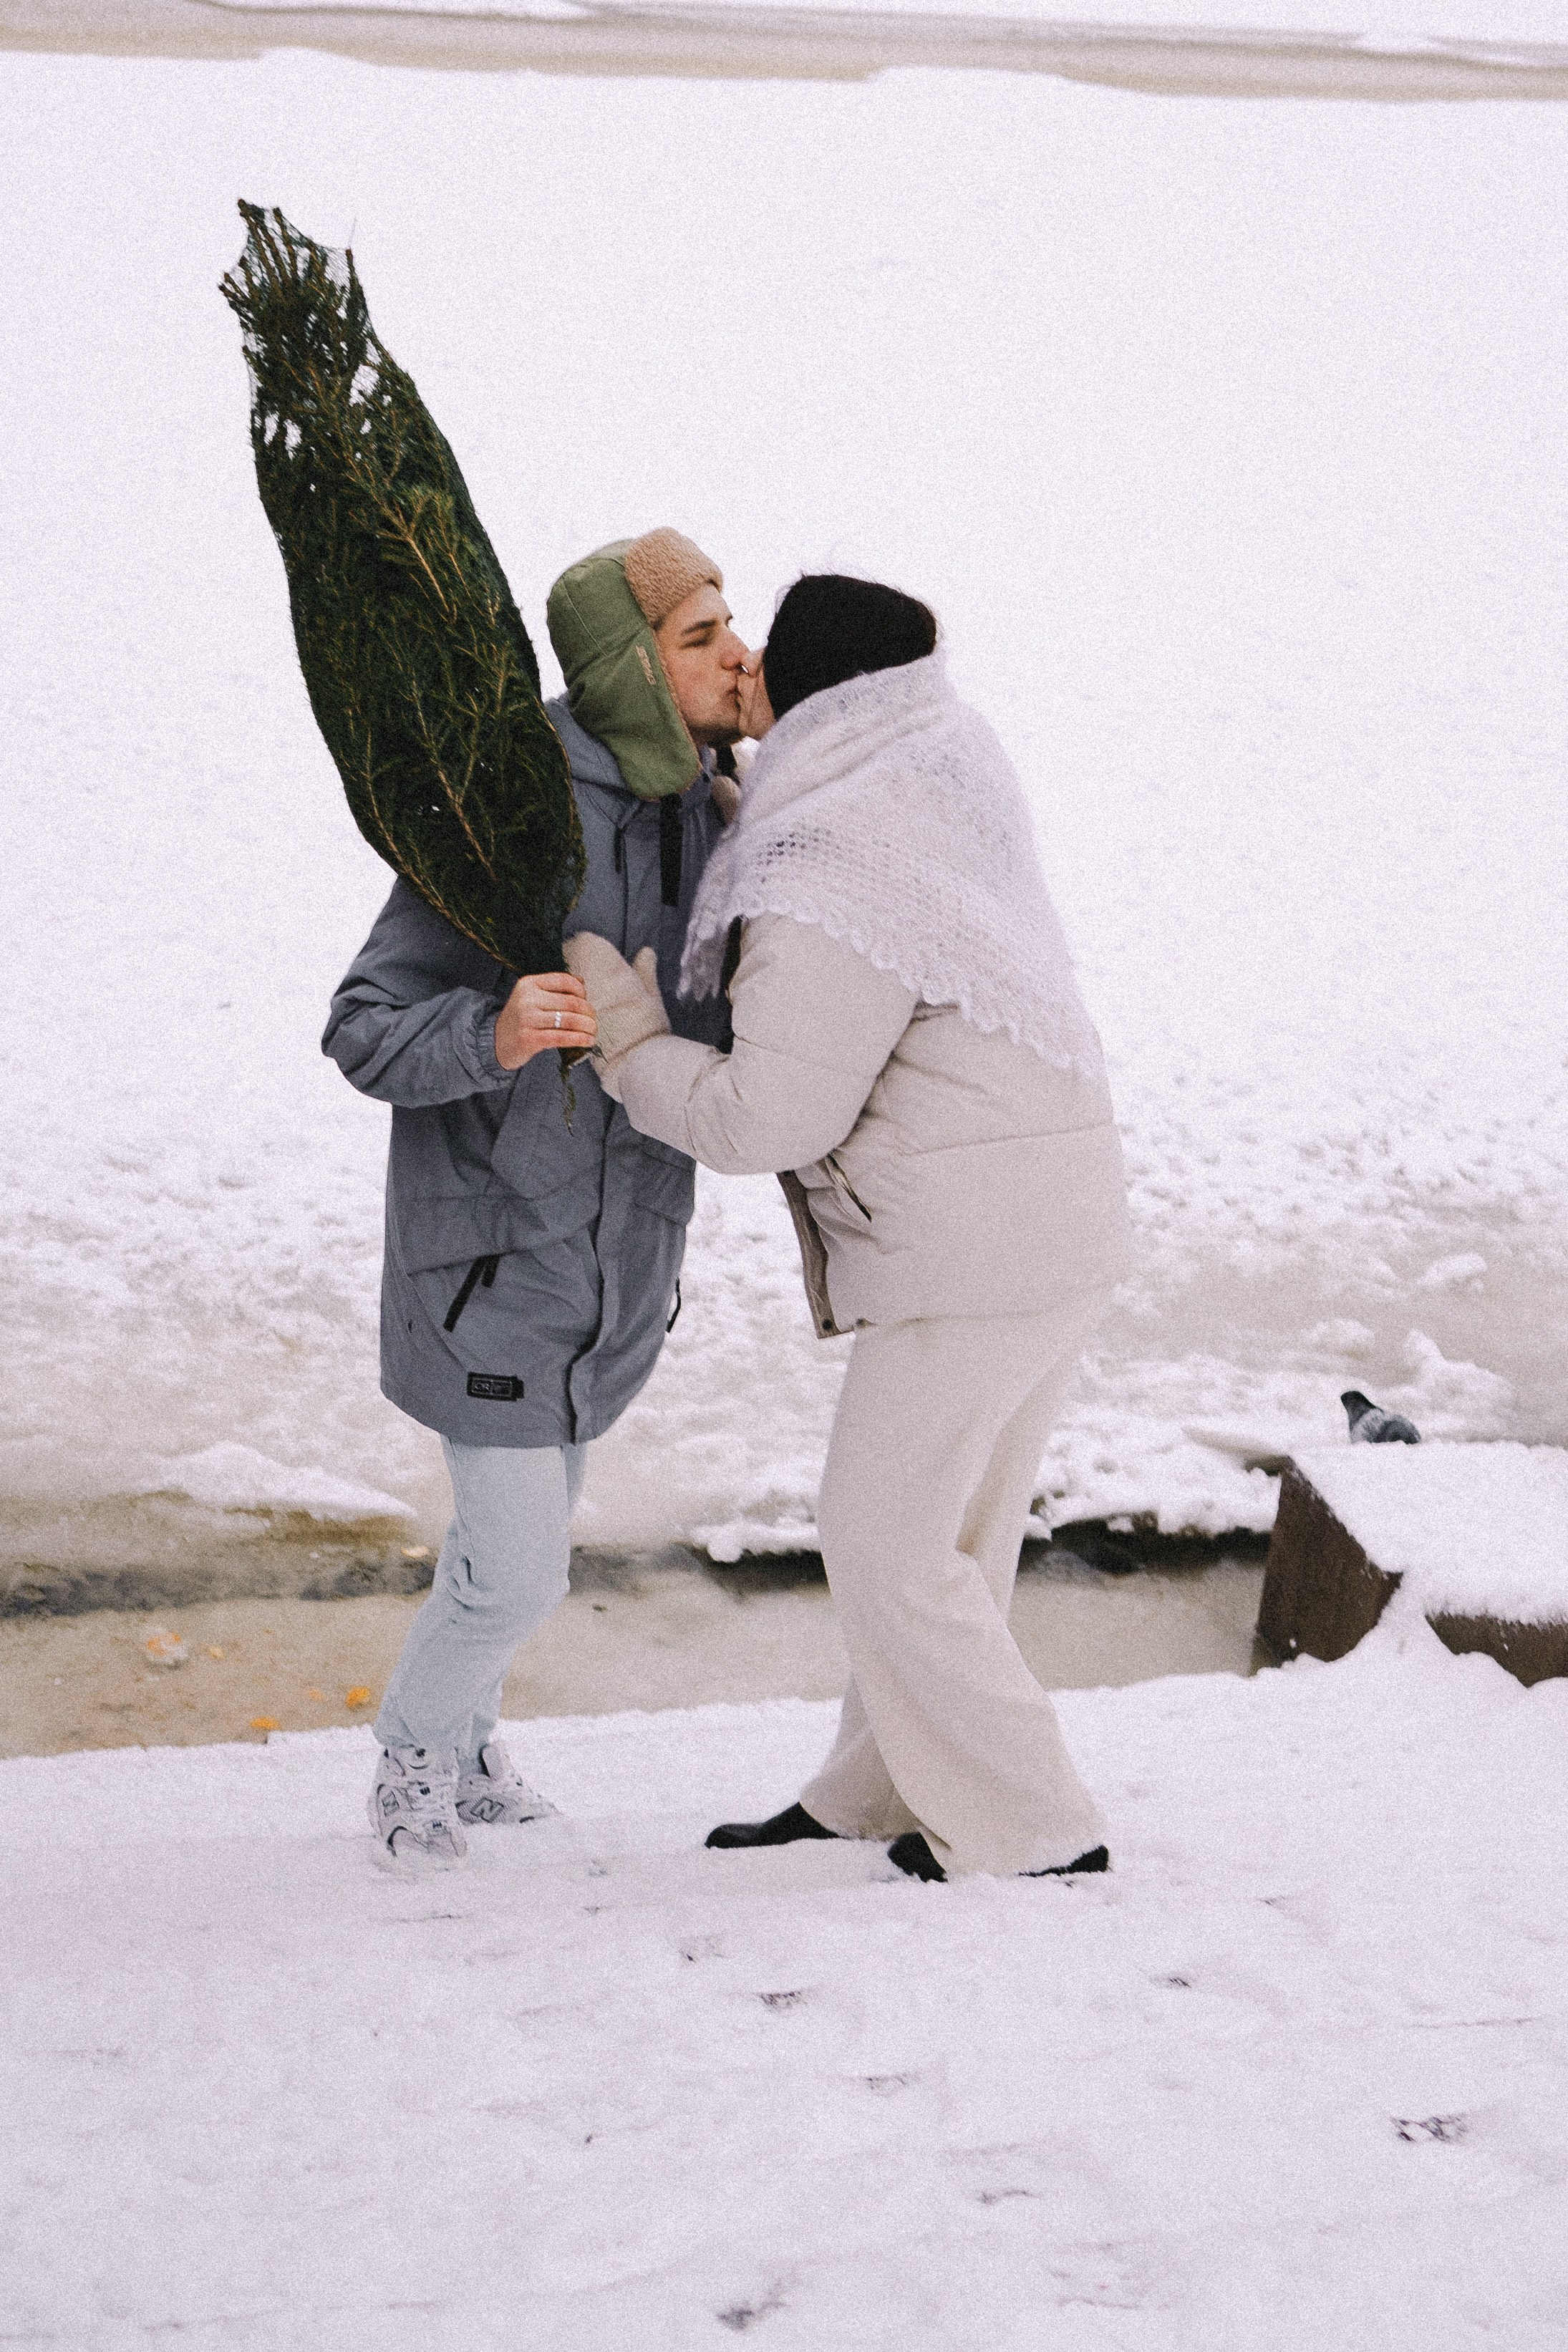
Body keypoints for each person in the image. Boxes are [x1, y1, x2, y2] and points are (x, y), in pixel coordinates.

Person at [566, 574, 1133, 1882]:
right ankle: (878, 1792)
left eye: (767, 650)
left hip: (972, 1249)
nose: (743, 661)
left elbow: (767, 1114)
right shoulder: (932, 759)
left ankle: (1037, 1832)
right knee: (949, 1536)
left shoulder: (829, 869)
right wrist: (741, 810)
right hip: (1050, 1218)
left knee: (885, 1539)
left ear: (824, 694)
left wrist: (631, 1045)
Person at [324, 529, 750, 1868]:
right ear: (629, 667)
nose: (736, 654)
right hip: (491, 1267)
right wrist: (491, 1030)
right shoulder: (505, 809)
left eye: (730, 625)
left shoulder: (710, 811)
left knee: (512, 1544)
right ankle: (410, 1756)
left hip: (615, 1266)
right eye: (699, 636)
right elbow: (361, 1025)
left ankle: (465, 1745)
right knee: (517, 1571)